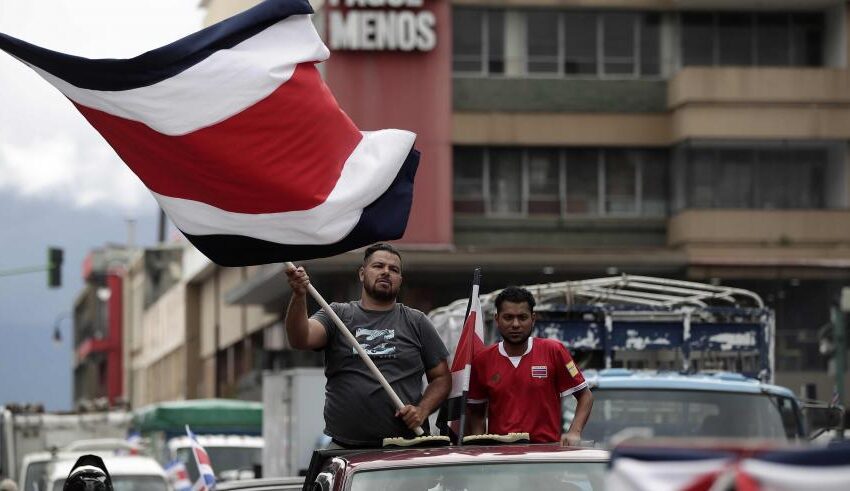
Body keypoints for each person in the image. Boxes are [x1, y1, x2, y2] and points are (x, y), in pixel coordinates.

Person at [284, 242, 451, 448]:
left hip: (405, 447)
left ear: (400, 280)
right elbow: (301, 338)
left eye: (394, 270)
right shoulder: (337, 314)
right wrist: (299, 296)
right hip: (344, 447)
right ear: (362, 274)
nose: (386, 272)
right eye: (378, 266)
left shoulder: (417, 321)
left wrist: (422, 410)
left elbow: (442, 377)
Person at [466, 286, 593, 445]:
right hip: (499, 457)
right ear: (497, 319)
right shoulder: (482, 360)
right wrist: (480, 446)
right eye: (508, 317)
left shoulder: (554, 350)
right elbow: (476, 413)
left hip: (545, 455)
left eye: (522, 317)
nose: (516, 324)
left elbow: (585, 396)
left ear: (533, 318)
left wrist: (574, 432)